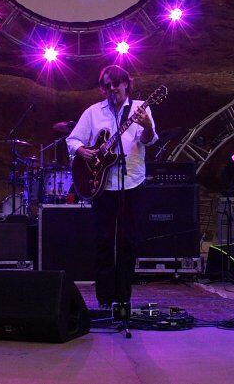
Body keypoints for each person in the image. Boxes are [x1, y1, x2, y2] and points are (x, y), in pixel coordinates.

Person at [66, 65, 156, 315]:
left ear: (128, 83)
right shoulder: (93, 112)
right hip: (102, 185)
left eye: (116, 83)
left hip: (132, 183)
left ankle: (124, 297)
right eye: (107, 85)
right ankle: (105, 299)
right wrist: (82, 150)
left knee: (128, 242)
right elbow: (72, 140)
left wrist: (147, 125)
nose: (112, 89)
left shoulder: (141, 109)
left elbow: (148, 139)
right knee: (103, 241)